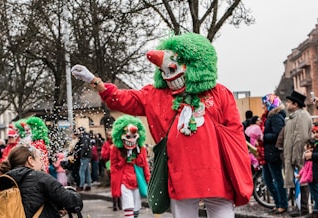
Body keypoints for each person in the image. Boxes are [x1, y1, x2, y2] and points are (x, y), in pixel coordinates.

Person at [71, 32, 253, 217]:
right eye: (164, 71)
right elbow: (125, 99)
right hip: (181, 175)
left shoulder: (219, 94)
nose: (169, 76)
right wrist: (96, 82)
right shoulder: (156, 95)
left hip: (216, 175)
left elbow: (234, 136)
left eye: (172, 69)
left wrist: (238, 171)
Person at [0, 145, 83, 217]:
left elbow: (30, 206)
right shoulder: (40, 177)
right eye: (39, 159)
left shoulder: (8, 180)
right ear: (30, 160)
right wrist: (71, 192)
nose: (42, 163)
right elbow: (74, 203)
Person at [110, 115, 151, 218]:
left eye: (134, 136)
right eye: (128, 137)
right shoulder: (115, 149)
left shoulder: (141, 149)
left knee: (137, 208)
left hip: (137, 181)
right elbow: (113, 167)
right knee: (129, 207)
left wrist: (148, 180)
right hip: (124, 180)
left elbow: (145, 165)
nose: (132, 139)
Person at [284, 90, 312, 217]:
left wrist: (295, 158)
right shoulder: (295, 116)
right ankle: (298, 207)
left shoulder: (301, 116)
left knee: (302, 182)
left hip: (298, 157)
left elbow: (300, 138)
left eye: (289, 102)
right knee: (297, 182)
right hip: (294, 156)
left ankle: (304, 209)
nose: (286, 104)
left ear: (295, 104)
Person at [261, 93, 288, 214]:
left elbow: (278, 134)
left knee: (277, 180)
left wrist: (263, 137)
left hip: (274, 153)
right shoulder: (271, 116)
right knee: (267, 179)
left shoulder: (276, 116)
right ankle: (278, 203)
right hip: (269, 153)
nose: (262, 106)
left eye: (264, 104)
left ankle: (282, 204)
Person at [303, 125, 318, 218]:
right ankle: (315, 211)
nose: (315, 135)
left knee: (316, 193)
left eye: (317, 132)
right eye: (314, 133)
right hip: (314, 172)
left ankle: (316, 211)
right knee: (314, 192)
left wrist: (312, 155)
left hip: (315, 171)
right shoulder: (315, 144)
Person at [74, 127, 92, 191]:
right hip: (87, 156)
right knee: (86, 171)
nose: (77, 132)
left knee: (81, 171)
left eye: (78, 131)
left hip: (84, 156)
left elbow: (84, 147)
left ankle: (81, 186)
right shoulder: (86, 136)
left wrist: (81, 155)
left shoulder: (83, 138)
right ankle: (89, 185)